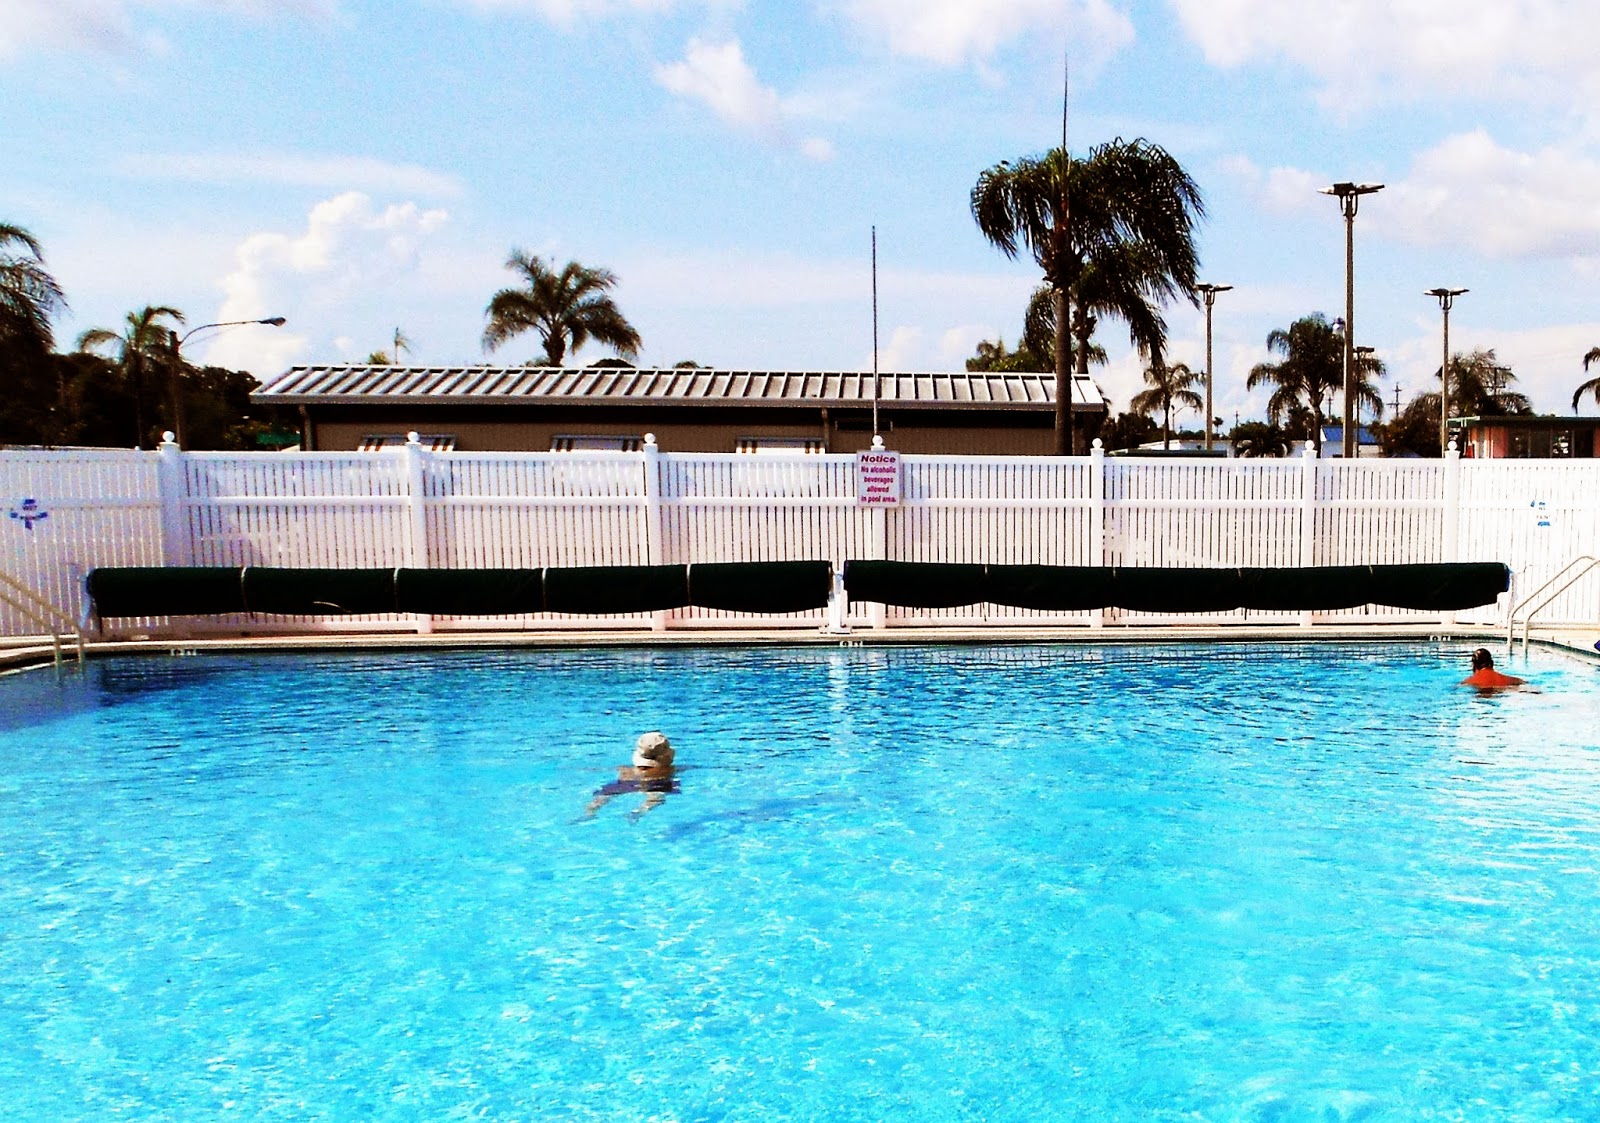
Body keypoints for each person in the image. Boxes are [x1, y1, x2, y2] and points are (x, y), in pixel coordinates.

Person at [584, 731, 679, 820]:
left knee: (602, 797)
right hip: (654, 783)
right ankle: (639, 812)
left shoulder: (625, 769)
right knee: (656, 798)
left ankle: (589, 813)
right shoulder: (668, 769)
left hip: (624, 781)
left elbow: (607, 769)